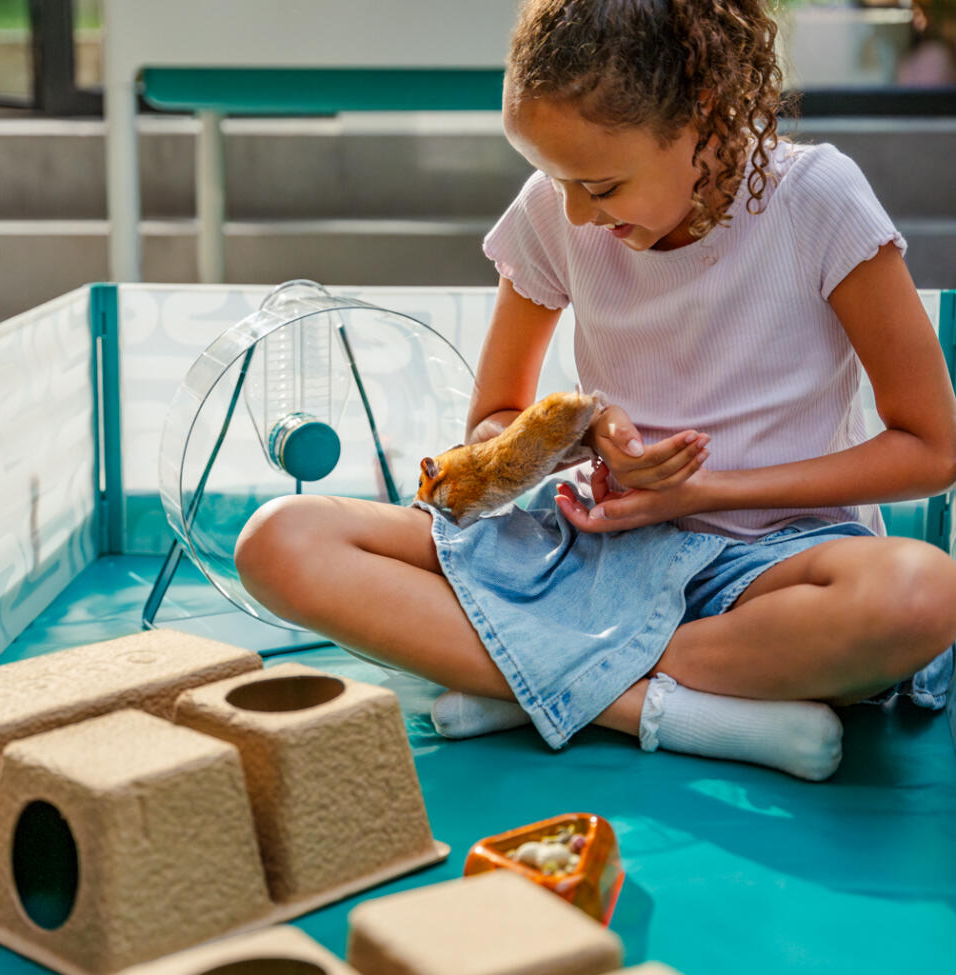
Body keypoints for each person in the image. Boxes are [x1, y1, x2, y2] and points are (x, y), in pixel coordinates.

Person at [235, 0, 956, 781]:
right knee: (280, 539)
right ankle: (660, 708)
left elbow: (930, 448)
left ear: (701, 113)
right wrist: (584, 430)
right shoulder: (554, 211)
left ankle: (521, 679)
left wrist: (699, 493)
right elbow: (492, 424)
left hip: (773, 561)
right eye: (555, 179)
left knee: (922, 595)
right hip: (591, 550)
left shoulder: (816, 196)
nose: (576, 210)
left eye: (602, 185)